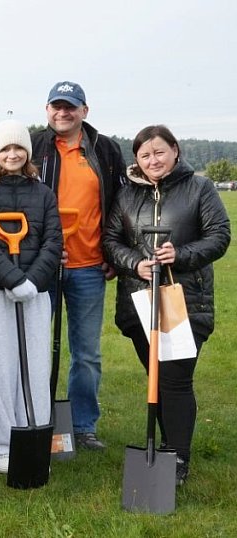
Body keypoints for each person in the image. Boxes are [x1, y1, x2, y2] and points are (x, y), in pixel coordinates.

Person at [103, 125, 230, 485]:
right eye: (144, 155)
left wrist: (182, 254)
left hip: (182, 300)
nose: (152, 160)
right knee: (156, 379)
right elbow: (111, 239)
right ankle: (166, 448)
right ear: (137, 160)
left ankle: (177, 459)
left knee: (174, 380)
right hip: (140, 299)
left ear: (175, 151)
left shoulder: (199, 188)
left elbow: (220, 235)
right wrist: (134, 263)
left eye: (159, 152)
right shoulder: (127, 195)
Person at [30, 81, 126, 450]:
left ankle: (83, 425)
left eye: (70, 106)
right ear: (47, 109)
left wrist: (115, 254)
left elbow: (119, 206)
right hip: (42, 266)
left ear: (84, 111)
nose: (62, 112)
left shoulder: (105, 150)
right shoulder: (35, 147)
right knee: (39, 347)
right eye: (56, 106)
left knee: (85, 353)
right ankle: (37, 418)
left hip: (88, 266)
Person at [0, 120, 63, 474]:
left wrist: (32, 282)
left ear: (27, 153)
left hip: (35, 295)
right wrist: (10, 278)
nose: (12, 154)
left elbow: (54, 240)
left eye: (18, 148)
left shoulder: (43, 194)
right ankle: (1, 444)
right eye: (5, 149)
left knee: (35, 365)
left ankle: (33, 436)